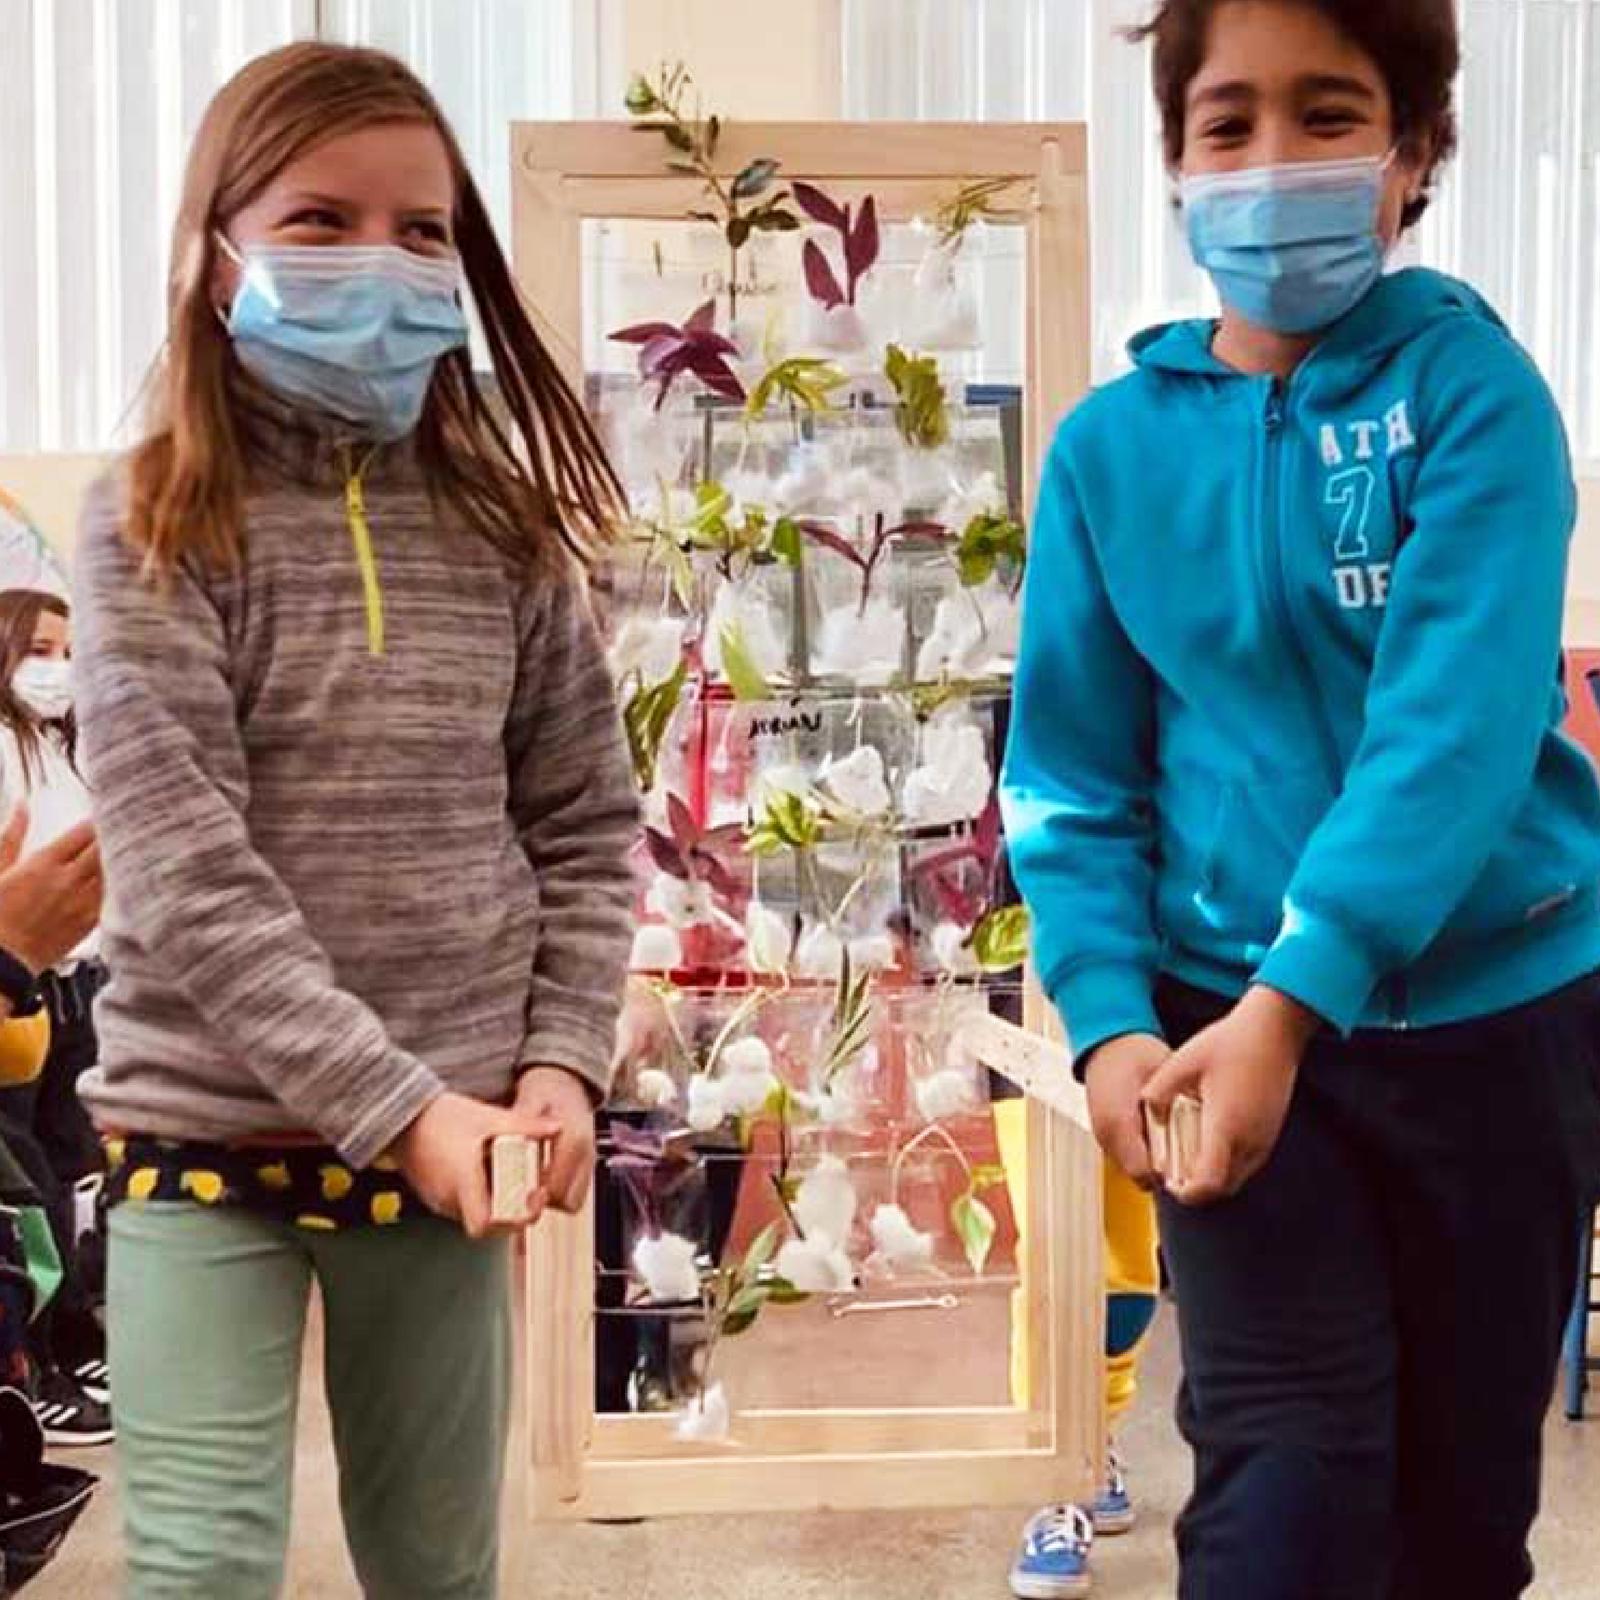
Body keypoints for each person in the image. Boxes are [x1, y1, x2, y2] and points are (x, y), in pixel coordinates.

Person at [1001, 2, 1600, 1596]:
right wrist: (1108, 1021)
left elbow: (1454, 731)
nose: (1273, 160)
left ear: (1414, 151)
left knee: (1457, 1517)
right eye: (1229, 122)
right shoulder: (1107, 454)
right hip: (1220, 1033)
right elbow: (1070, 776)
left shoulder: (1476, 397)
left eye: (1329, 115)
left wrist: (1301, 991)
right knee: (1284, 1498)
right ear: (1177, 160)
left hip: (1496, 1029)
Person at [72, 42, 636, 1600]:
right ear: (218, 258)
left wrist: (561, 1062)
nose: (379, 261)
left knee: (439, 1568)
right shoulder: (150, 521)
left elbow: (588, 823)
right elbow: (187, 877)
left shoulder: (507, 527)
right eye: (320, 222)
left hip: (459, 1144)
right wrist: (405, 1111)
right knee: (197, 1570)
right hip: (205, 1139)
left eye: (421, 230)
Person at [0, 590, 111, 1441]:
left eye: (69, 653)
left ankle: (69, 1340)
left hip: (72, 984)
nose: (57, 670)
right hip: (18, 984)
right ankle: (28, 1367)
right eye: (40, 650)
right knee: (24, 1183)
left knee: (71, 1174)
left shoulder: (56, 746)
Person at [998, 1108, 1159, 1600]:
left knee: (1128, 1288)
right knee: (1053, 1265)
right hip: (1031, 1072)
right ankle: (1056, 1481)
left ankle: (1094, 1436)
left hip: (1140, 1069)